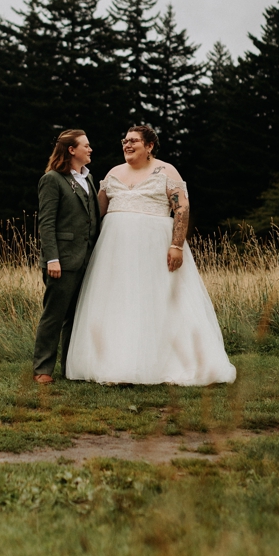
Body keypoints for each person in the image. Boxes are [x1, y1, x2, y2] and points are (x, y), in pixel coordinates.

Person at [65, 125, 237, 385]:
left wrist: (176, 245)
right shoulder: (113, 173)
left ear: (150, 146)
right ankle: (114, 363)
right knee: (117, 302)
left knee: (158, 302)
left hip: (155, 249)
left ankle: (167, 362)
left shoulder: (167, 171)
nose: (127, 144)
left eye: (133, 140)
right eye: (124, 140)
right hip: (114, 253)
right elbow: (95, 213)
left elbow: (181, 209)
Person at [33, 129, 101, 384]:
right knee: (54, 315)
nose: (90, 149)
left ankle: (70, 368)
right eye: (86, 145)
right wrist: (52, 259)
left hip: (87, 259)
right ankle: (42, 369)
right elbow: (47, 223)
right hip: (62, 260)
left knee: (77, 317)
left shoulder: (89, 178)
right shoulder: (52, 179)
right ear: (71, 150)